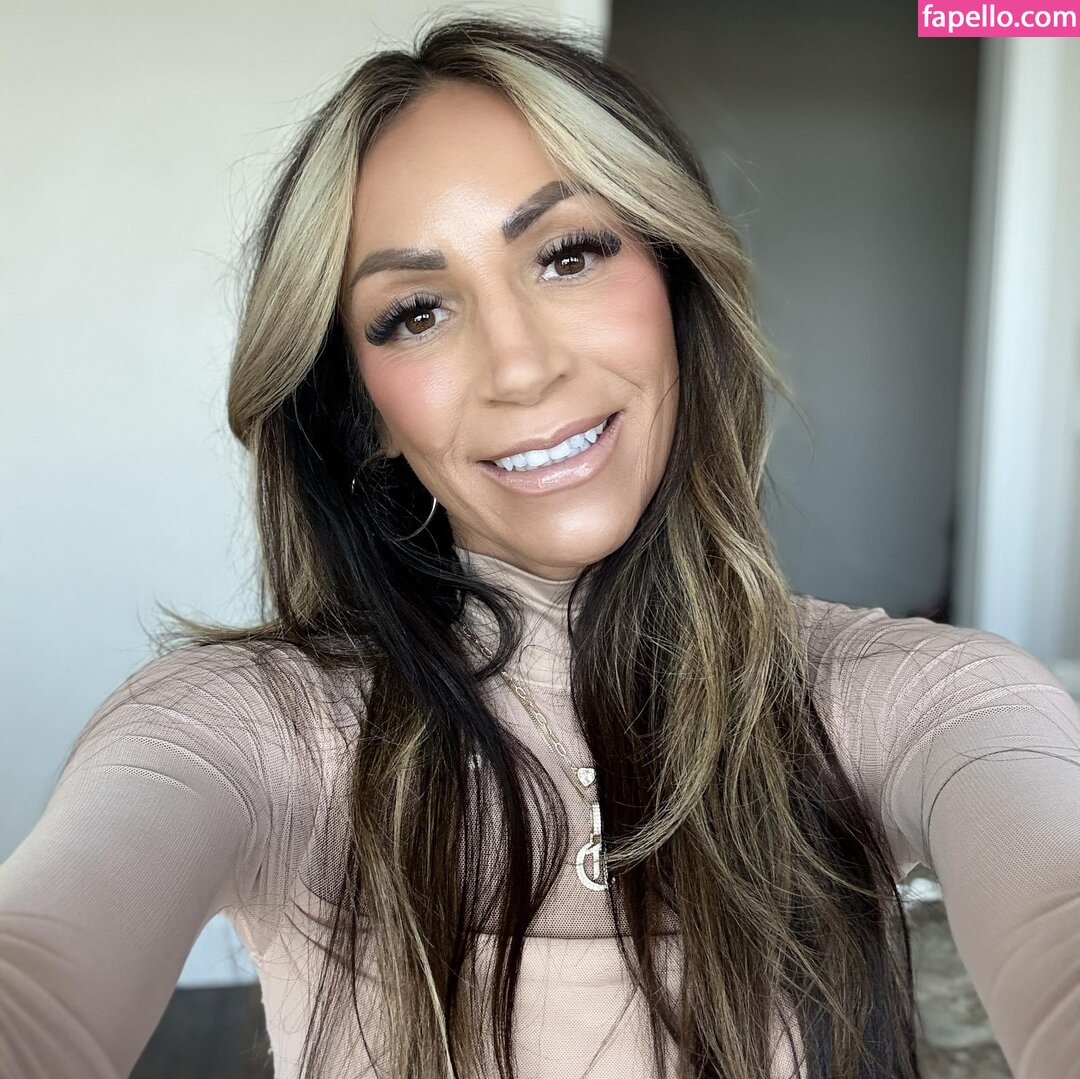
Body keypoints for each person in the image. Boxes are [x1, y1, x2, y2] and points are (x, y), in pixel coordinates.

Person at [1, 14, 1077, 1079]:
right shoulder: (241, 732)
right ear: (364, 409)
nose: (519, 366)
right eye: (416, 312)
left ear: (674, 284)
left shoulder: (915, 700)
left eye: (567, 254)